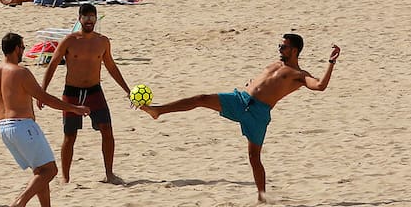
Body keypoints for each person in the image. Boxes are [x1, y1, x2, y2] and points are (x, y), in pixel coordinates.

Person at [139, 34, 341, 203]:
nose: (279, 48)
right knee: (201, 98)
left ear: (295, 50)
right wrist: (250, 84)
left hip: (258, 114)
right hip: (240, 100)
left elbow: (320, 86)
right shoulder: (274, 64)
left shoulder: (299, 74)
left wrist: (330, 63)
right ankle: (158, 111)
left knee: (254, 157)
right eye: (279, 44)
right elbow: (262, 82)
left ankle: (262, 197)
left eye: (284, 46)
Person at [0, 33, 89, 207]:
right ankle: (19, 203)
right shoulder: (21, 72)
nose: (23, 51)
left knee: (40, 171)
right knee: (50, 171)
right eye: (23, 47)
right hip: (23, 126)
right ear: (16, 49)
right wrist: (75, 108)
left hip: (5, 128)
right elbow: (45, 98)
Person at [40, 3, 132, 184]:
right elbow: (52, 64)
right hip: (72, 93)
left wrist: (127, 90)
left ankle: (109, 173)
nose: (89, 20)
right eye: (85, 16)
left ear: (96, 19)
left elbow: (111, 67)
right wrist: (43, 91)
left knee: (107, 130)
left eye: (92, 17)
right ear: (79, 19)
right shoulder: (69, 40)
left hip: (94, 91)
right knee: (70, 135)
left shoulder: (103, 41)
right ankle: (65, 177)